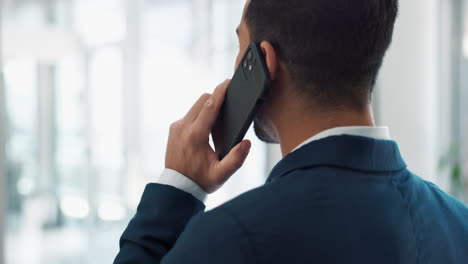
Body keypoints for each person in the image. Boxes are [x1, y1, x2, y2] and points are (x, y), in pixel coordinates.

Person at [114, 0, 468, 263]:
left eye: (241, 48)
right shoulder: (458, 223)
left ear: (263, 62)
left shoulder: (228, 239)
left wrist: (178, 189)